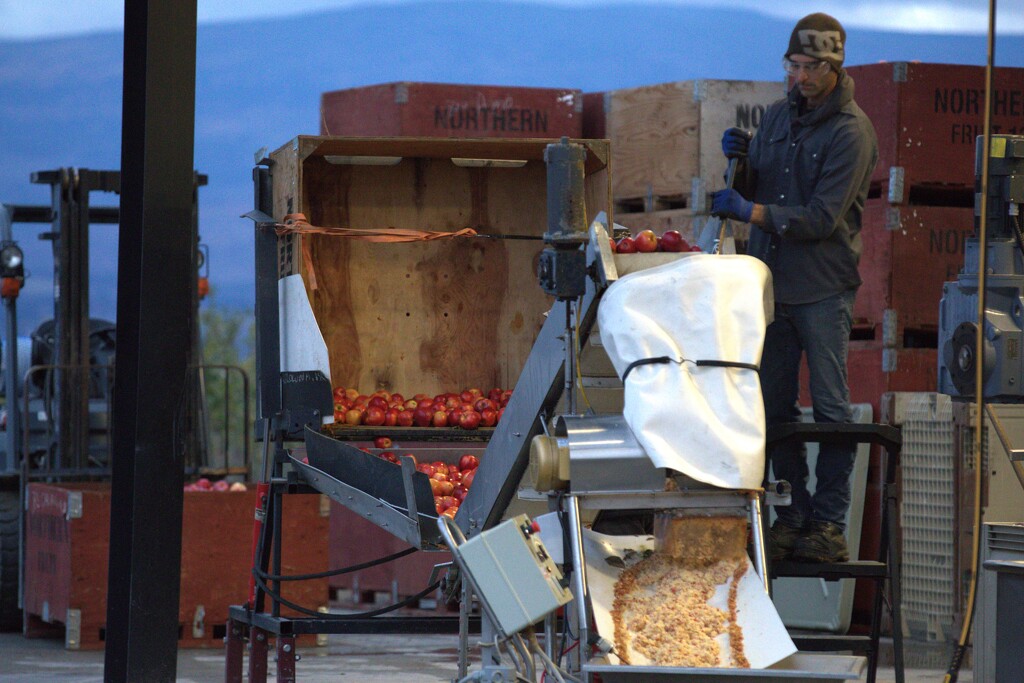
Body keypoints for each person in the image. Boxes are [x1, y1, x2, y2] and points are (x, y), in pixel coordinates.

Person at [710, 12, 878, 563]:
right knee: (773, 403)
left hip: (823, 289)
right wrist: (742, 160)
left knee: (831, 408)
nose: (799, 77)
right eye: (792, 65)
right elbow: (762, 181)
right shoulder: (780, 117)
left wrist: (751, 210)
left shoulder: (852, 132)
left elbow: (823, 217)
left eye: (811, 68)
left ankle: (828, 525)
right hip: (770, 288)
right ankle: (792, 513)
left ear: (835, 67)